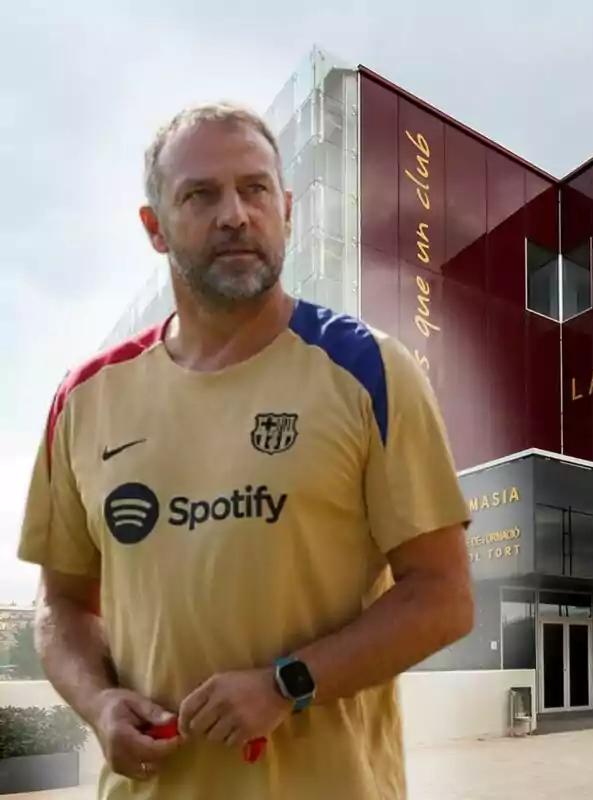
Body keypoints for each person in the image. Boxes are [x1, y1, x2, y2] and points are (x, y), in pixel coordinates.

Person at [17, 102, 475, 798]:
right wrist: (99, 703)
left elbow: (443, 597)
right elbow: (62, 606)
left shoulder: (369, 371)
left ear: (286, 208)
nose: (234, 213)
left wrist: (288, 684)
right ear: (155, 228)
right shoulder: (85, 401)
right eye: (200, 194)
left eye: (255, 189)